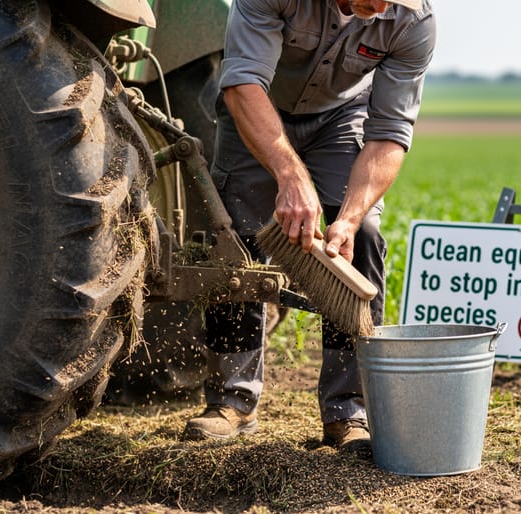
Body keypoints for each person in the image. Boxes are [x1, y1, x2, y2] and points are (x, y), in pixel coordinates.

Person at [182, 0, 436, 452]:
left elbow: (390, 132)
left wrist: (350, 218)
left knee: (362, 239)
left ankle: (348, 410)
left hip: (340, 118)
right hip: (258, 108)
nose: (379, 7)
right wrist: (290, 176)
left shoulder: (412, 22)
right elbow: (243, 83)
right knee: (233, 235)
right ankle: (232, 400)